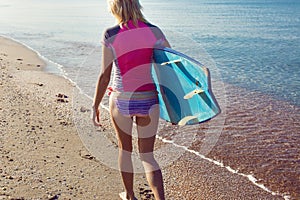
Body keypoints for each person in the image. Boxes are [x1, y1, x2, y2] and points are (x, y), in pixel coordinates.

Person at [92, 0, 170, 199]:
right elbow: (169, 68)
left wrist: (95, 105)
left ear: (115, 8)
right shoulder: (155, 32)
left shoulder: (110, 34)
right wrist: (176, 104)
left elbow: (104, 75)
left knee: (125, 151)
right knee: (148, 156)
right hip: (149, 99)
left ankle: (129, 195)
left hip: (121, 99)